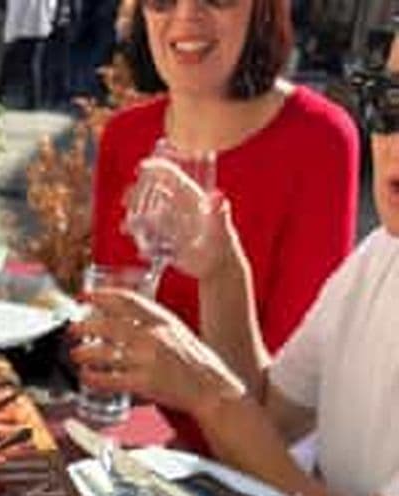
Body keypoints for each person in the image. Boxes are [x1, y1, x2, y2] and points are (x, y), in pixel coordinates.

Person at [74, 30, 399, 496]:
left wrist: (208, 394)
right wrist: (222, 272)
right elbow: (270, 415)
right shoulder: (382, 253)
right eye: (390, 101)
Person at [93, 0, 360, 354]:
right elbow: (106, 312)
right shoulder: (123, 137)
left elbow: (298, 370)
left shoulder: (319, 139)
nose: (187, 13)